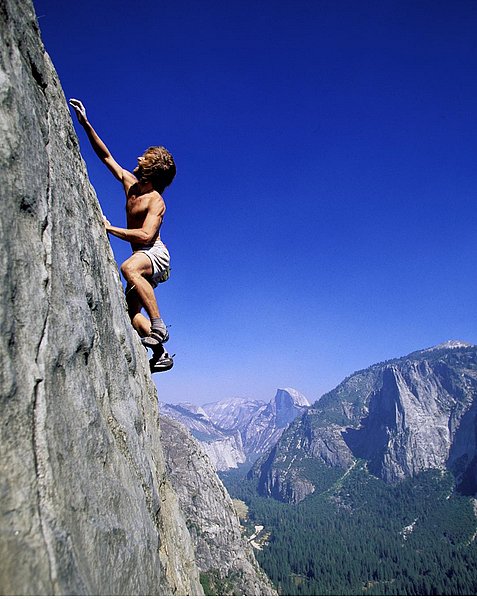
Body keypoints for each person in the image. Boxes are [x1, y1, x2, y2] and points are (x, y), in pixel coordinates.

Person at [69, 99, 175, 373]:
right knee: (130, 315)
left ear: (151, 171)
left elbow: (145, 234)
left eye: (145, 159)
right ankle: (161, 354)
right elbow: (106, 157)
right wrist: (86, 124)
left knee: (128, 268)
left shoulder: (155, 201)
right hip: (141, 256)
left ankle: (159, 325)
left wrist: (109, 228)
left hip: (155, 254)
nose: (138, 160)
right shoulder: (131, 184)